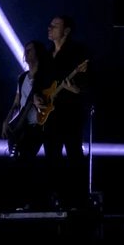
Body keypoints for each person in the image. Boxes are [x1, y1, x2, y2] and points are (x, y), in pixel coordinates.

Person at [43, 14, 92, 210]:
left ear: (66, 31)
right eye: (50, 25)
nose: (50, 28)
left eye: (55, 25)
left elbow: (89, 78)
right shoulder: (47, 55)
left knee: (74, 153)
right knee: (52, 155)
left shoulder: (77, 52)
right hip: (50, 114)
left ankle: (78, 200)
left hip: (70, 112)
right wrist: (38, 96)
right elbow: (40, 81)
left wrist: (78, 89)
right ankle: (58, 198)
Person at [2, 40, 53, 211]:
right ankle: (29, 200)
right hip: (26, 125)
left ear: (38, 53)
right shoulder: (22, 78)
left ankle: (40, 200)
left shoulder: (45, 76)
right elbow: (17, 104)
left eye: (30, 49)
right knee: (23, 160)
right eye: (25, 49)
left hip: (42, 123)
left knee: (31, 159)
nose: (26, 52)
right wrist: (7, 121)